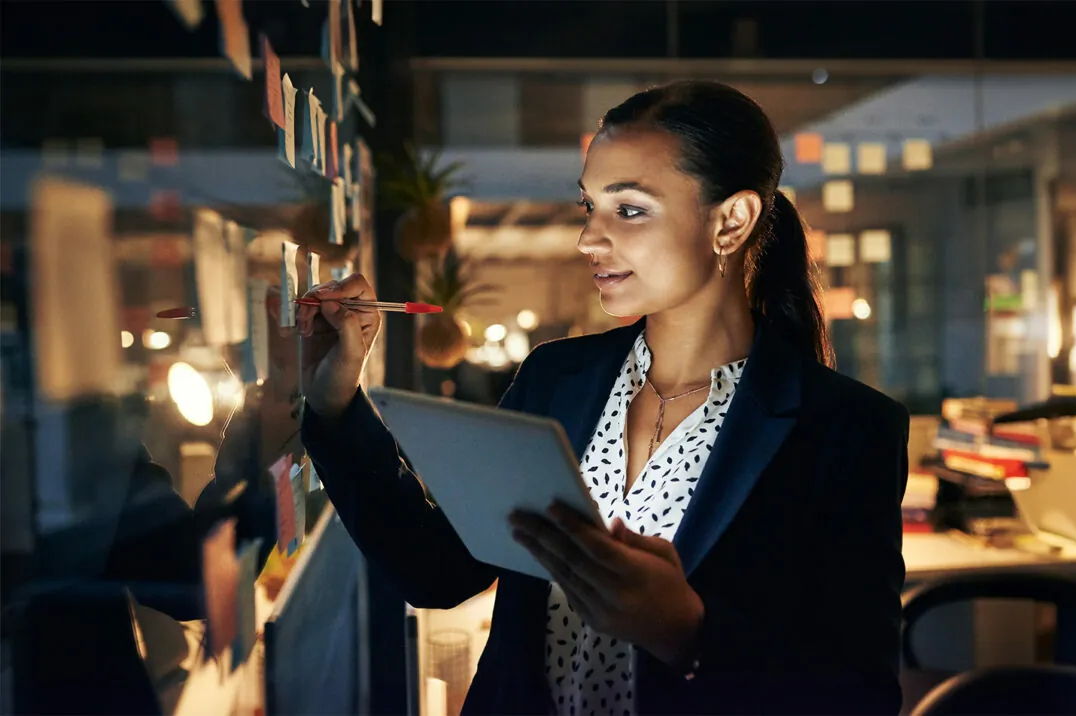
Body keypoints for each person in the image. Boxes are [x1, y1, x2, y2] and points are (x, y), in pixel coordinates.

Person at [298, 81, 909, 715]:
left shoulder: (845, 429)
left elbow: (858, 697)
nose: (589, 239)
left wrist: (687, 632)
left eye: (630, 209)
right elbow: (437, 571)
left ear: (731, 221)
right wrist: (337, 403)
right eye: (589, 207)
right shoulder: (556, 380)